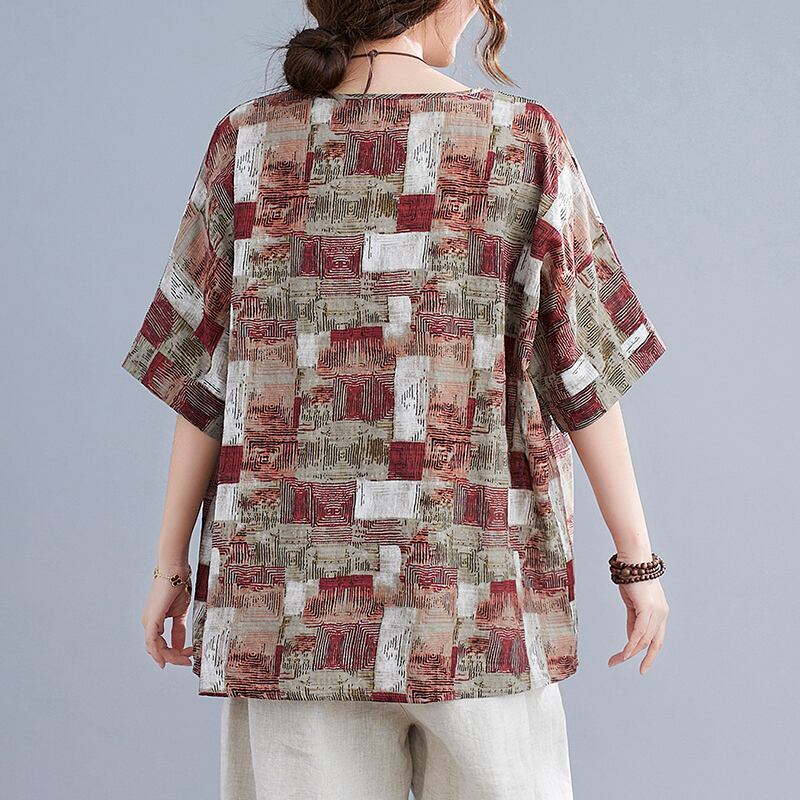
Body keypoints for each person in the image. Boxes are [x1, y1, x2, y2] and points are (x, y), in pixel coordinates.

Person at [121, 1, 670, 798]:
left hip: (289, 617)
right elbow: (582, 368)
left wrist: (171, 565)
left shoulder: (248, 140)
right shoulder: (520, 139)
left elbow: (203, 374)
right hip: (476, 600)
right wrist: (637, 563)